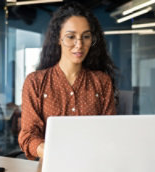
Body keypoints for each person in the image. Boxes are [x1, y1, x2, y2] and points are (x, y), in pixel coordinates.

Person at [18, 2, 117, 160]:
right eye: (71, 37)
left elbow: (110, 132)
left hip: (93, 165)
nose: (79, 45)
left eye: (85, 37)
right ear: (58, 38)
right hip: (51, 165)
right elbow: (28, 136)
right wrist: (54, 151)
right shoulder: (35, 82)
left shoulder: (102, 82)